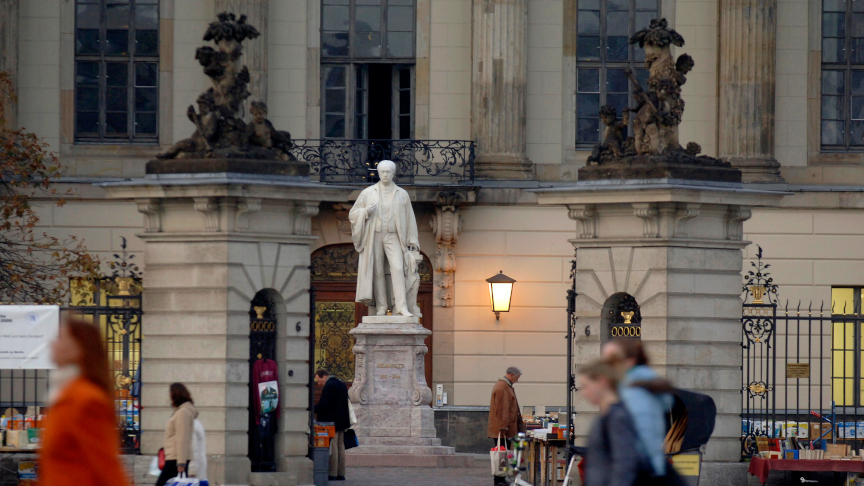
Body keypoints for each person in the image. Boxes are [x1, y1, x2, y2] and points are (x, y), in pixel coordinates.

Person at [39, 317, 130, 486]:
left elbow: (106, 466)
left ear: (78, 349)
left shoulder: (87, 400)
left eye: (60, 338)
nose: (52, 344)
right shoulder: (63, 394)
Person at [348, 159, 421, 317]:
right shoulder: (368, 193)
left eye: (388, 172)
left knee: (397, 268)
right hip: (375, 234)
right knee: (377, 270)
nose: (385, 174)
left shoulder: (402, 194)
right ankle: (381, 306)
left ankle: (401, 306)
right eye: (382, 172)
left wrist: (413, 240)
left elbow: (410, 218)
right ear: (378, 173)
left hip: (394, 235)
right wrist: (366, 211)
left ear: (394, 173)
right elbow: (353, 214)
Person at [602, 339, 674, 478]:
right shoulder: (634, 385)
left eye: (612, 359)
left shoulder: (634, 391)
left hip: (638, 472)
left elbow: (644, 436)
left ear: (630, 361)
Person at [579, 360, 649, 486]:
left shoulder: (617, 417)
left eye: (585, 386)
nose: (583, 394)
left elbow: (625, 464)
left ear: (602, 382)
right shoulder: (608, 416)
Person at [487, 366, 526, 485]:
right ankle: (499, 480)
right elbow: (503, 410)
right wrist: (503, 428)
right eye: (517, 377)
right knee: (501, 454)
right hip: (503, 430)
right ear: (512, 375)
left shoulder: (505, 386)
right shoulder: (503, 387)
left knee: (503, 454)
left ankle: (501, 479)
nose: (517, 380)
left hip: (504, 429)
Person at [156, 383, 198, 486]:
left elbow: (182, 438)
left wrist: (181, 462)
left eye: (170, 393)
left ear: (175, 394)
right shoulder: (181, 411)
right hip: (175, 457)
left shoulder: (182, 413)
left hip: (176, 459)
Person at [314, 369, 350, 481]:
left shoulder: (330, 385)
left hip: (332, 421)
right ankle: (341, 472)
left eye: (319, 380)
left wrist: (313, 409)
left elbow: (325, 404)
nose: (319, 383)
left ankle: (332, 473)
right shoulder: (341, 384)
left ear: (324, 376)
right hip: (342, 421)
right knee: (340, 447)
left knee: (333, 447)